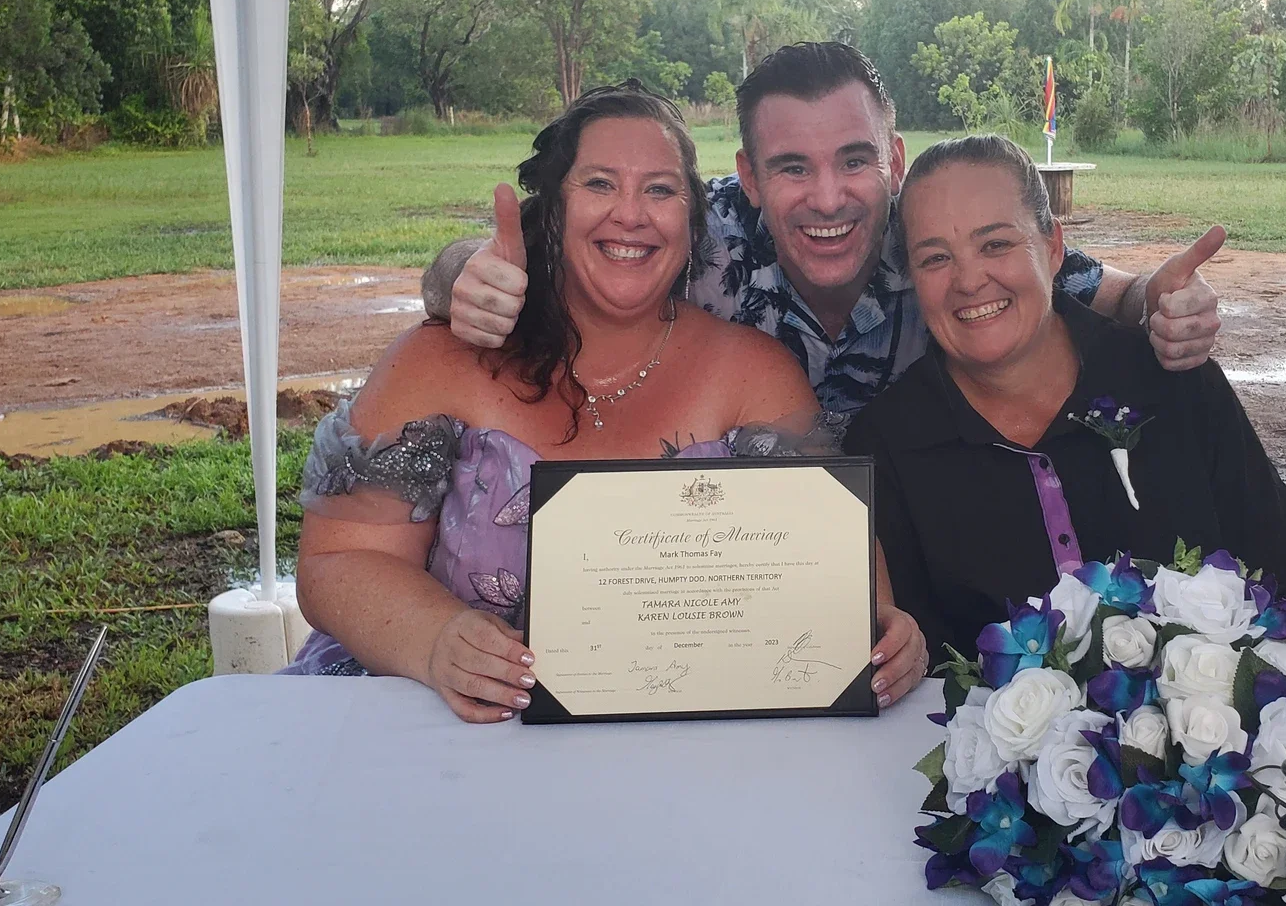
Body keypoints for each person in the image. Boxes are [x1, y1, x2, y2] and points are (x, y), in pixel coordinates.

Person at [291, 82, 931, 721]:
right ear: (556, 207)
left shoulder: (753, 377)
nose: (631, 214)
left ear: (694, 220)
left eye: (660, 190)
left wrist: (883, 634)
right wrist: (435, 641)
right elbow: (338, 561)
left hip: (686, 738)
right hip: (445, 726)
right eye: (600, 184)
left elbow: (841, 574)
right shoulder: (441, 360)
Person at [423, 43, 1228, 420]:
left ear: (895, 158)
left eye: (854, 160)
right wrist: (462, 275)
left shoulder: (936, 236)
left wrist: (1167, 301)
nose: (829, 197)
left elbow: (1105, 293)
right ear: (747, 175)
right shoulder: (686, 233)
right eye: (793, 169)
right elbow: (490, 260)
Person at [844, 135, 1286, 664]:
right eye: (935, 258)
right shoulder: (887, 447)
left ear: (1052, 248)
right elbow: (910, 662)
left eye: (996, 244)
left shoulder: (1175, 387)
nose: (969, 280)